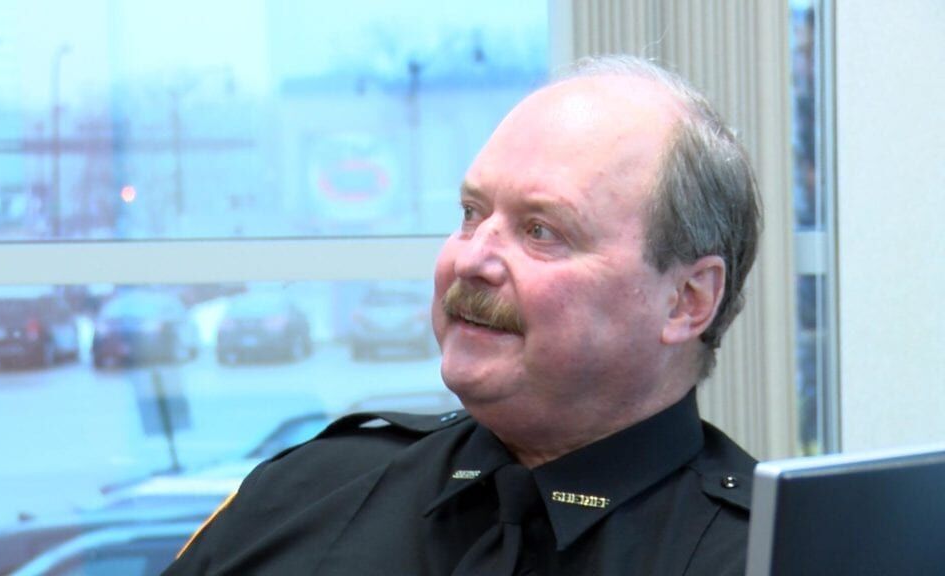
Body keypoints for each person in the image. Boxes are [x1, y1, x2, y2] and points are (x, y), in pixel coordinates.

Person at [164, 54, 762, 576]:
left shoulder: (769, 554)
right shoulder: (308, 493)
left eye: (540, 230)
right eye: (472, 214)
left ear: (686, 300)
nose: (471, 260)